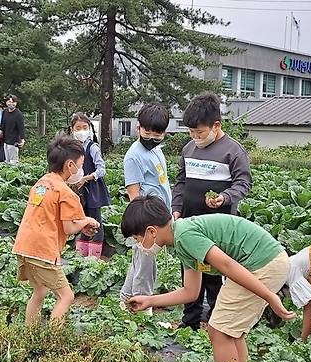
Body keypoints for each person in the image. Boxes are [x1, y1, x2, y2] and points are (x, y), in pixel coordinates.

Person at [124, 196, 294, 362]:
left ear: (151, 231)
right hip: (266, 261)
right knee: (231, 332)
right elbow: (191, 291)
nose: (139, 245)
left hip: (263, 263)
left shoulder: (185, 235)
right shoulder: (181, 237)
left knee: (219, 332)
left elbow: (227, 265)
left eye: (137, 239)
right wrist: (149, 300)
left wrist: (270, 296)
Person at [173, 91, 253, 331]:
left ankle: (217, 323)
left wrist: (225, 197)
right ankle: (191, 321)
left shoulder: (233, 151)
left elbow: (244, 183)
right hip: (189, 223)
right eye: (191, 132)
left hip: (218, 226)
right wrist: (176, 209)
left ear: (216, 125)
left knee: (214, 276)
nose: (195, 137)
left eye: (199, 132)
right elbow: (181, 182)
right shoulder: (189, 149)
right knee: (190, 271)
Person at [12, 134, 100, 326]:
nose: (81, 169)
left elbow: (51, 216)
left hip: (23, 245)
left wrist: (81, 224)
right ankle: (53, 340)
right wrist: (86, 220)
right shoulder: (67, 193)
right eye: (81, 163)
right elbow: (69, 228)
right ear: (70, 165)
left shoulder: (42, 183)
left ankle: (29, 334)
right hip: (43, 250)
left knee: (40, 291)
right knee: (66, 296)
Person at [120, 103, 172, 316]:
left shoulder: (157, 150)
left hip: (159, 218)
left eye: (157, 133)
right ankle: (142, 311)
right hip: (146, 223)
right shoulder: (133, 156)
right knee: (145, 268)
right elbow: (135, 196)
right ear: (138, 128)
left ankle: (126, 301)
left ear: (164, 133)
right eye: (147, 131)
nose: (151, 137)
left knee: (139, 264)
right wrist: (144, 230)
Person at [68, 113, 111, 259]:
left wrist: (86, 178)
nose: (81, 131)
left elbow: (102, 169)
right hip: (78, 190)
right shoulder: (72, 148)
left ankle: (95, 256)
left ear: (90, 129)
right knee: (82, 219)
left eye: (84, 127)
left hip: (92, 189)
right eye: (78, 128)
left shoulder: (93, 147)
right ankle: (82, 253)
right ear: (72, 129)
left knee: (96, 219)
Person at [0, 95, 25, 165]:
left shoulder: (18, 114)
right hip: (5, 140)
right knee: (7, 161)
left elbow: (21, 128)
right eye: (9, 101)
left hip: (13, 141)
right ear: (6, 102)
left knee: (13, 162)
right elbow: (2, 126)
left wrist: (22, 140)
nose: (11, 103)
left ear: (16, 103)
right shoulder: (5, 112)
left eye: (13, 102)